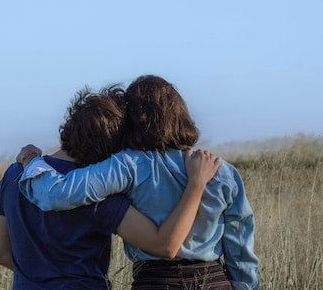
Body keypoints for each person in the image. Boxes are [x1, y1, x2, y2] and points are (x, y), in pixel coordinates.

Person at [17, 75, 260, 290]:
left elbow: (56, 194)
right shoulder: (221, 170)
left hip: (155, 280)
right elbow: (240, 249)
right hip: (215, 280)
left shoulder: (127, 165)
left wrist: (31, 161)